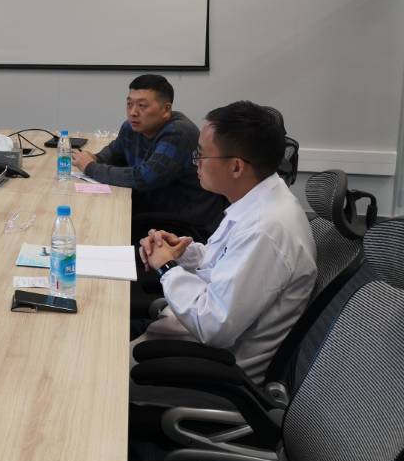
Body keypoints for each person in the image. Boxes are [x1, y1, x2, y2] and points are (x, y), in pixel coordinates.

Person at [133, 101, 317, 383]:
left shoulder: (267, 229)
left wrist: (167, 268)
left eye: (201, 154)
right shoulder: (259, 201)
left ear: (236, 167)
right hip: (184, 338)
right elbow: (221, 261)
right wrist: (181, 252)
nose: (195, 162)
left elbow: (213, 325)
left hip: (206, 369)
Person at [71, 74, 225, 244]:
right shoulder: (131, 127)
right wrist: (96, 158)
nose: (133, 112)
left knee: (105, 226)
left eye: (142, 105)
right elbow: (114, 153)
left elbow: (144, 178)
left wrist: (91, 167)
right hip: (153, 211)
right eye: (129, 104)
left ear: (166, 109)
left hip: (186, 223)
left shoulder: (178, 133)